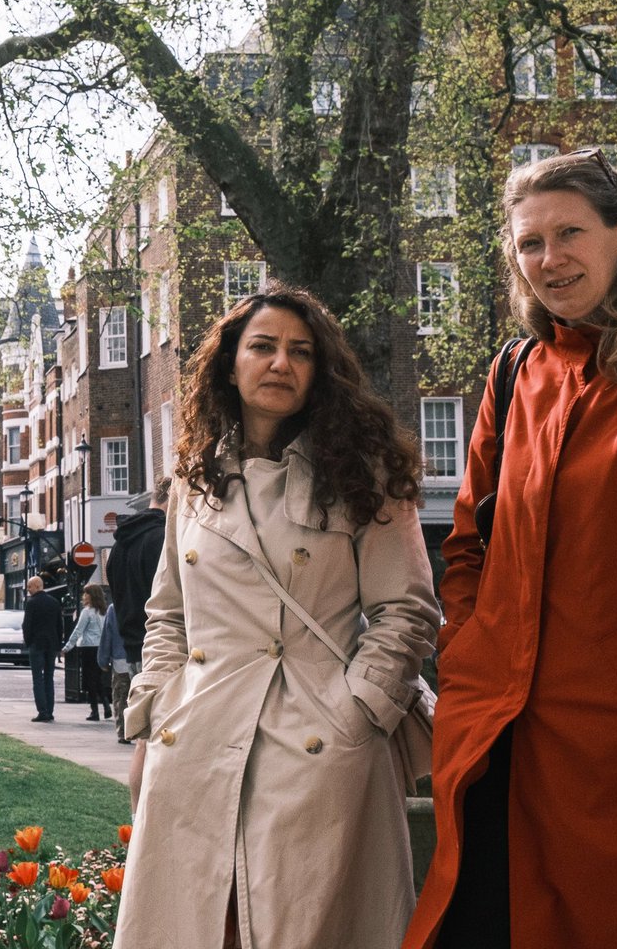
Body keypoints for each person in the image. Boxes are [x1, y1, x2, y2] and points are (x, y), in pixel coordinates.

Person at [404, 150, 617, 949]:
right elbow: (467, 545)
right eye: (530, 243)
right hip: (497, 734)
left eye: (570, 234)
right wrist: (465, 655)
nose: (549, 260)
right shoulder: (515, 372)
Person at [115, 284, 439, 949]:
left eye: (300, 351)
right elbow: (169, 615)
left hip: (319, 750)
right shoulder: (193, 479)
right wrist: (153, 724)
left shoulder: (364, 471)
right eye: (263, 347)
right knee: (202, 926)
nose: (280, 363)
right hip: (197, 742)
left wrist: (355, 715)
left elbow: (405, 609)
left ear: (321, 371)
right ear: (230, 362)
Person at [107, 476, 169, 671]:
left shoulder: (118, 546)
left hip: (132, 650)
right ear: (173, 499)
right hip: (163, 648)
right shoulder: (162, 539)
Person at [61, 584, 110, 721]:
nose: (83, 596)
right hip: (101, 648)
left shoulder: (87, 612)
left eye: (85, 593)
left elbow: (78, 631)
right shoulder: (104, 612)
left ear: (91, 595)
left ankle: (95, 711)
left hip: (88, 647)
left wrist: (67, 647)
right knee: (99, 678)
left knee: (89, 680)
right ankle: (106, 705)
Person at [21, 575, 62, 723]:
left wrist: (28, 641)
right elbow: (59, 625)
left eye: (30, 587)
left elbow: (27, 625)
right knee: (49, 677)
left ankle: (42, 711)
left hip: (36, 645)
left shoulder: (32, 603)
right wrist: (58, 645)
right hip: (51, 645)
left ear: (37, 586)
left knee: (37, 678)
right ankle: (50, 711)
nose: (28, 589)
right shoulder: (54, 602)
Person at [98, 602, 132, 743]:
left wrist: (103, 660)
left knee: (121, 697)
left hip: (121, 658)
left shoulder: (115, 608)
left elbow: (108, 635)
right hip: (145, 656)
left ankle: (123, 732)